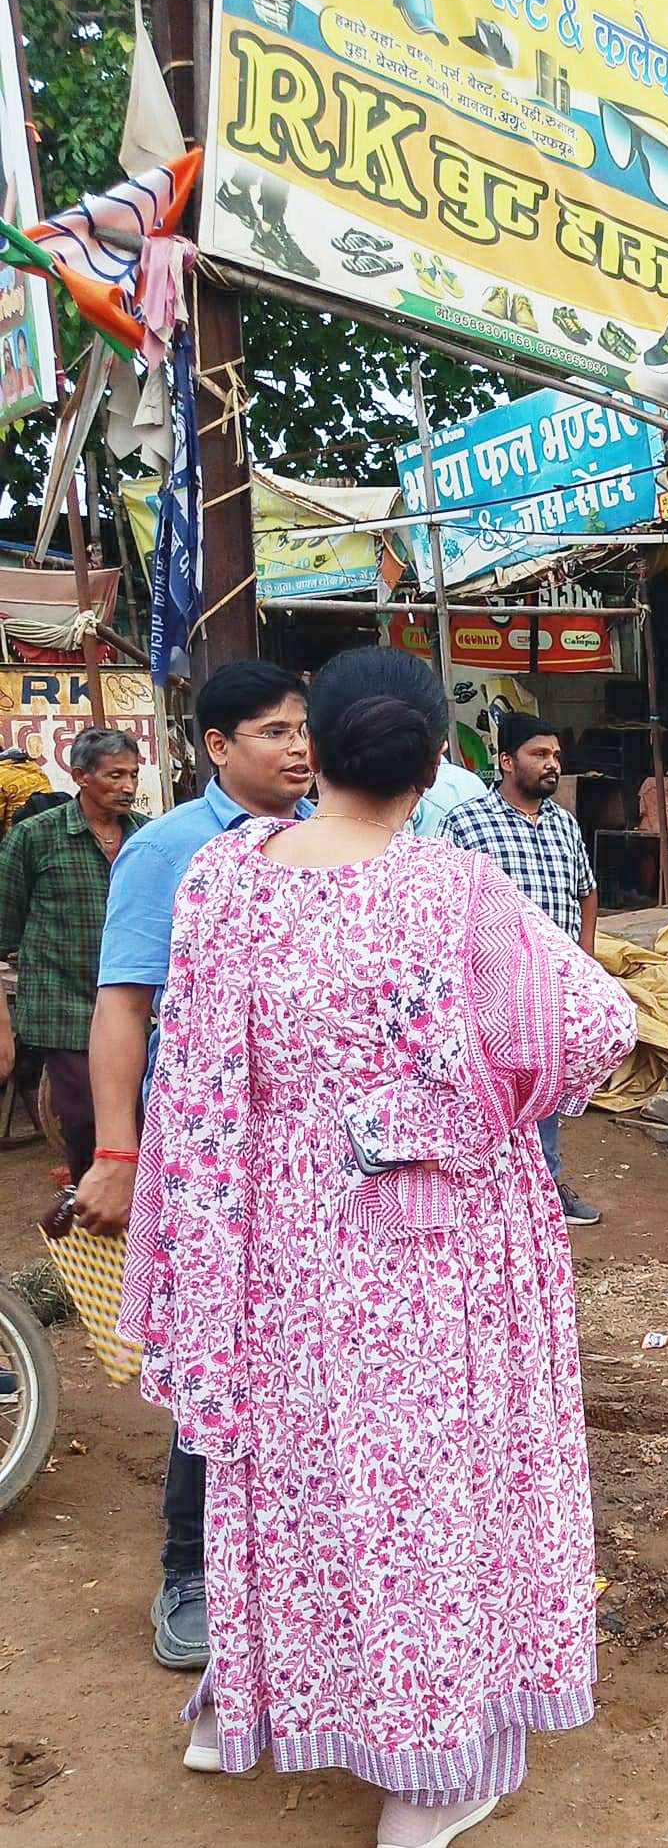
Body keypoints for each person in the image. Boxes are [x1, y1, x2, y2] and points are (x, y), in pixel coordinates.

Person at [116, 647, 635, 1848]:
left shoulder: (225, 877)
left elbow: (189, 1077)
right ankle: (431, 1773)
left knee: (306, 1475)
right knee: (424, 1486)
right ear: (438, 760)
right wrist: (460, 1116)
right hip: (431, 1237)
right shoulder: (453, 889)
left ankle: (252, 1697)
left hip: (279, 1233)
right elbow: (595, 1024)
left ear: (322, 748)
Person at [76, 661, 312, 1674]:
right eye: (272, 731)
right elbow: (125, 1006)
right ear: (217, 745)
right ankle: (189, 1573)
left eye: (305, 728)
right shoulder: (172, 847)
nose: (297, 748)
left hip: (310, 1161)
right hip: (209, 1156)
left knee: (303, 1360)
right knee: (214, 1358)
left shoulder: (333, 838)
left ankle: (294, 1566)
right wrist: (118, 1151)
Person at [439, 712, 602, 1226]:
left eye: (556, 755)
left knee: (546, 1088)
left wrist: (585, 956)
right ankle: (490, 1196)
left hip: (553, 988)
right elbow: (442, 903)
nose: (552, 764)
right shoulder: (465, 823)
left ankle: (547, 1187)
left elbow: (587, 890)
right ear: (506, 762)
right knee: (490, 1090)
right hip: (490, 988)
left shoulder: (564, 822)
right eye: (539, 755)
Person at [0, 726, 146, 1185]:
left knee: (139, 1114)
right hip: (64, 1005)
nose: (127, 787)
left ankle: (135, 1221)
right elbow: (3, 921)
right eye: (115, 775)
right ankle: (95, 1217)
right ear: (81, 776)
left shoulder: (146, 837)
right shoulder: (34, 838)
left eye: (133, 775)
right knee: (86, 1117)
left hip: (133, 1002)